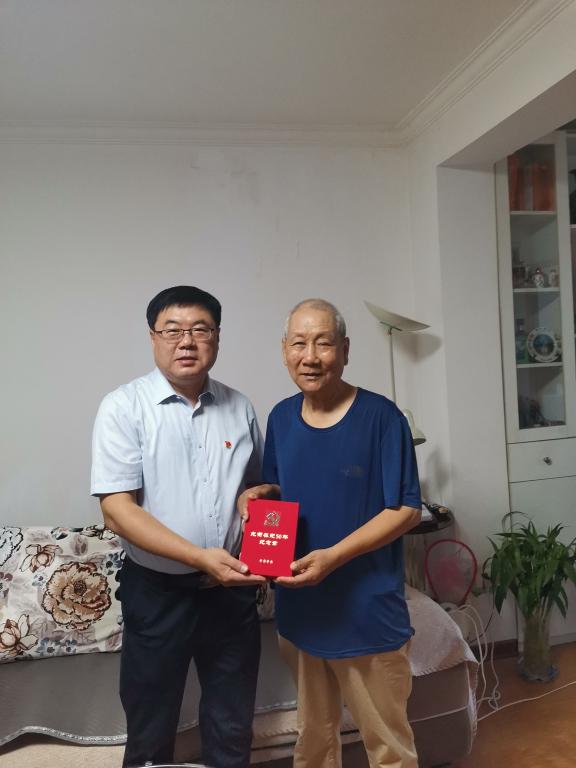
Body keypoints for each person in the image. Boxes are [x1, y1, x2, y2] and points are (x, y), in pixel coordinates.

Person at [239, 298, 421, 768]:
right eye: (299, 344)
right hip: (301, 610)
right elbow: (282, 491)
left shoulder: (382, 418)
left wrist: (334, 556)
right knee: (314, 743)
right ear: (284, 350)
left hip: (366, 613)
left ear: (345, 350)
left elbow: (405, 510)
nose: (310, 356)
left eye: (323, 343)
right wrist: (259, 494)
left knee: (389, 748)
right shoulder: (281, 418)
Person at [91, 285, 265, 768]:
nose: (186, 341)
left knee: (233, 726)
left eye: (200, 330)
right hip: (158, 593)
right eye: (172, 330)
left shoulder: (240, 407)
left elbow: (255, 488)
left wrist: (258, 495)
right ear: (153, 337)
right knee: (150, 727)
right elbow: (117, 510)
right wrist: (198, 557)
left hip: (230, 596)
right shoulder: (124, 407)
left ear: (217, 338)